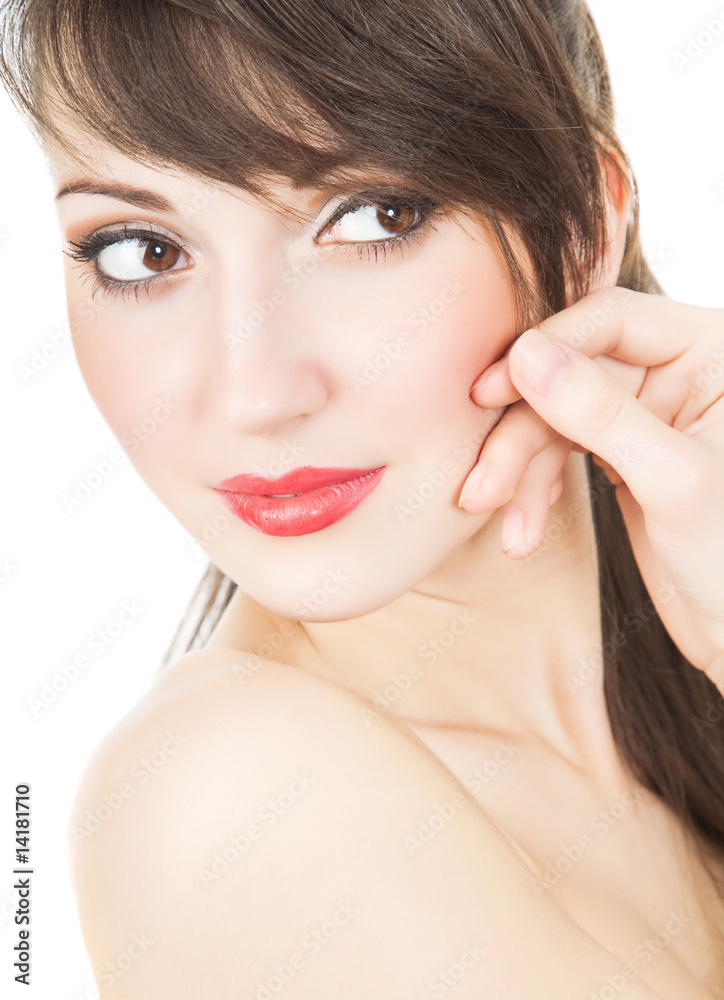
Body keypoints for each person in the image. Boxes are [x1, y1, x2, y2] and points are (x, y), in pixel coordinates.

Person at [2, 0, 724, 996]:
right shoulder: (233, 796)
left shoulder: (682, 697)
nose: (255, 395)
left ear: (583, 230)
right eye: (142, 251)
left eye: (372, 217)